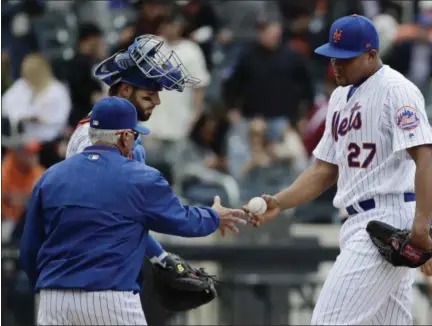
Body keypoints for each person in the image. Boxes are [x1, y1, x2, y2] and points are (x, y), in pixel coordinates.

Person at [246, 15, 432, 324]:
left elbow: (425, 156)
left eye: (346, 58)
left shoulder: (396, 89)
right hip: (357, 220)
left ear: (372, 54)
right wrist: (278, 201)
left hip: (386, 221)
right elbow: (323, 170)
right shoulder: (338, 98)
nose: (336, 65)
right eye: (334, 57)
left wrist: (422, 226)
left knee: (327, 321)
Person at [19, 97, 246, 325]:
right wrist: (214, 216)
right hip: (110, 298)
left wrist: (46, 289)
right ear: (125, 136)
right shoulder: (139, 177)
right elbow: (183, 221)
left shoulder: (51, 177)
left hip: (54, 300)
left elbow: (29, 248)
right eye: (134, 134)